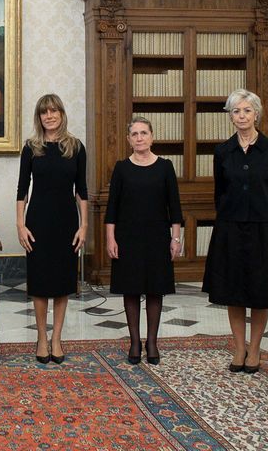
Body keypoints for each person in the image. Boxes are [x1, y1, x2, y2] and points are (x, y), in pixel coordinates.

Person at [201, 88, 268, 374]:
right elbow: (220, 192)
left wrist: (267, 215)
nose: (241, 116)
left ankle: (255, 349)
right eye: (236, 111)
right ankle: (239, 348)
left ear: (257, 114)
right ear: (230, 116)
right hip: (230, 227)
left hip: (264, 229)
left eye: (246, 110)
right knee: (233, 290)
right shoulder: (222, 151)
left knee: (260, 292)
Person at [104, 116, 183, 365]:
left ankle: (152, 342)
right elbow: (112, 208)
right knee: (131, 289)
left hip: (158, 237)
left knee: (154, 290)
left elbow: (175, 208)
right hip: (127, 238)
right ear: (129, 140)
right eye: (135, 134)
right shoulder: (121, 168)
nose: (139, 138)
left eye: (143, 133)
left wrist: (176, 238)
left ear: (152, 137)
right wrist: (110, 239)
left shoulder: (165, 167)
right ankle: (134, 342)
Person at [16, 94, 88, 365]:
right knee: (40, 284)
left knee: (62, 283)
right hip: (37, 222)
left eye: (54, 110)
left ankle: (56, 338)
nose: (49, 116)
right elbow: (22, 190)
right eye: (44, 112)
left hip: (67, 222)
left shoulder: (76, 147)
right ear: (39, 117)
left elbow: (82, 190)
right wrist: (20, 225)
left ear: (61, 113)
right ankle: (42, 338)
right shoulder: (31, 147)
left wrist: (84, 226)